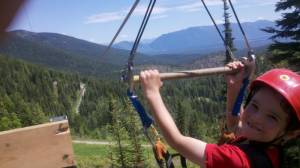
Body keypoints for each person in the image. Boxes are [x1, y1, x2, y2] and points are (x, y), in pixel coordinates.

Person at [139, 62, 300, 168]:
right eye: (255, 106)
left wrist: (153, 93)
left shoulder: (239, 161)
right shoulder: (267, 146)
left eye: (272, 117)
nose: (257, 117)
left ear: (291, 132)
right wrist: (234, 86)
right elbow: (235, 125)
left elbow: (177, 140)